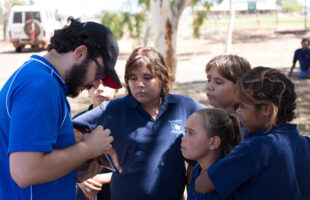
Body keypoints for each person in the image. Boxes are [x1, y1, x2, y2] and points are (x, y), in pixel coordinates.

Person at [0, 18, 122, 199]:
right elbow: (25, 171)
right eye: (98, 74)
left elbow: (39, 161)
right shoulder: (41, 86)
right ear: (80, 53)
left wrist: (75, 169)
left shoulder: (44, 80)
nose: (94, 84)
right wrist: (88, 149)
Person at [74, 47, 205, 200]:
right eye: (133, 78)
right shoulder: (114, 109)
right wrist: (83, 168)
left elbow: (216, 125)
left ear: (162, 78)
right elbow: (69, 130)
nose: (139, 84)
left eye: (147, 77)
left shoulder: (183, 106)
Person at [195, 67, 310, 199]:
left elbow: (202, 185)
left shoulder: (255, 148)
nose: (237, 112)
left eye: (242, 106)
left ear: (266, 109)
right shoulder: (306, 143)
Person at [181, 108, 242, 200]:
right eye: (185, 131)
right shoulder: (198, 168)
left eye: (191, 133)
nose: (183, 138)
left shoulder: (225, 177)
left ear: (214, 142)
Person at [75, 81, 117, 200]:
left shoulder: (129, 122)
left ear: (116, 89)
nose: (100, 89)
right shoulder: (77, 122)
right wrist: (79, 180)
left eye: (106, 84)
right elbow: (64, 163)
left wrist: (102, 178)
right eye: (94, 85)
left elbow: (139, 166)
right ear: (87, 90)